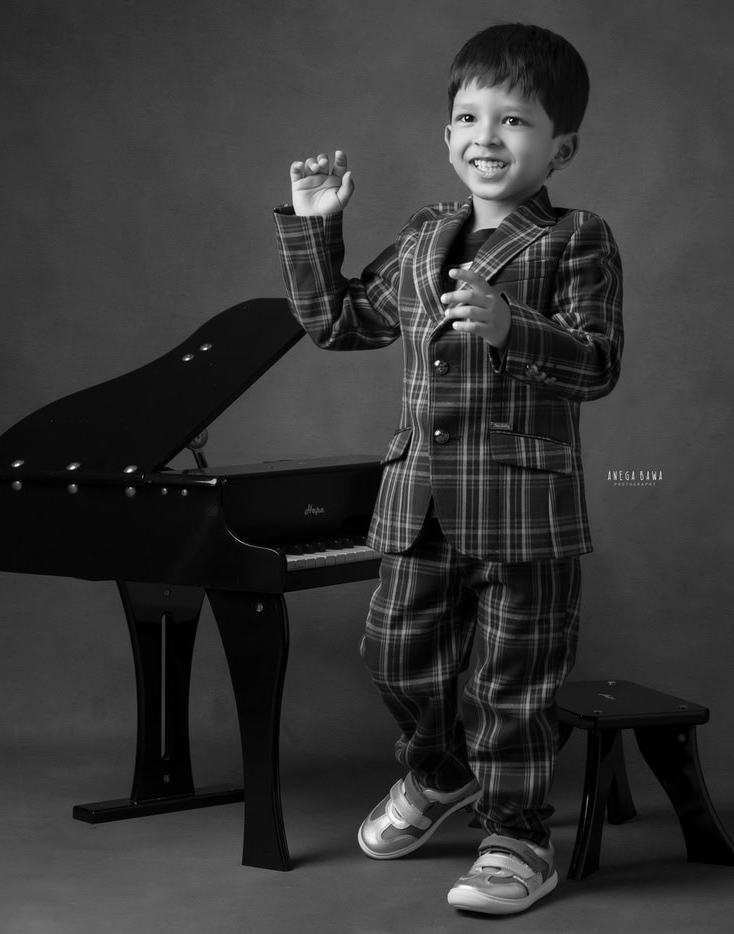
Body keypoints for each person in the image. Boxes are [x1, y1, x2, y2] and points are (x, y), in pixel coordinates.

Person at [272, 22, 623, 916]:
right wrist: (317, 231)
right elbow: (342, 323)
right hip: (419, 503)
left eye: (515, 122)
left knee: (513, 685)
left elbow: (597, 363)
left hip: (525, 508)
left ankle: (517, 839)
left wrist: (513, 329)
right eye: (470, 117)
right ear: (446, 133)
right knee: (395, 657)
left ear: (561, 146)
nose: (487, 138)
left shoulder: (575, 237)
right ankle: (438, 774)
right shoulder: (428, 236)